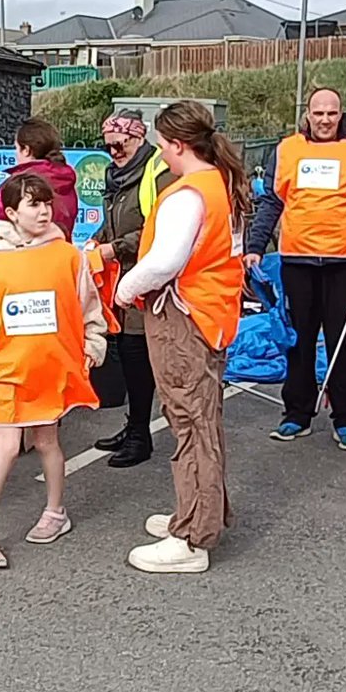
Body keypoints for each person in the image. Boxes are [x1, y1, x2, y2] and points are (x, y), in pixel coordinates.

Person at [115, 100, 250, 575]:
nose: (160, 154)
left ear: (177, 144)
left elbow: (163, 262)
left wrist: (124, 289)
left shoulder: (187, 193)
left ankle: (193, 537)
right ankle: (200, 513)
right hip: (210, 314)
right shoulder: (220, 182)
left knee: (190, 425)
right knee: (203, 420)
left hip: (183, 318)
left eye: (162, 145)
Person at [0, 173, 107, 568]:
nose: (42, 211)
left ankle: (56, 513)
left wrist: (93, 346)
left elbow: (89, 307)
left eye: (45, 203)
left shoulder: (68, 256)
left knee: (47, 441)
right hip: (7, 367)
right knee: (6, 445)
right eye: (32, 204)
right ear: (10, 212)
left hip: (50, 367)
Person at [245, 86, 346, 451]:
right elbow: (272, 201)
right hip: (297, 261)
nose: (325, 120)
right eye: (318, 113)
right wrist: (254, 246)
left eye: (332, 113)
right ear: (307, 114)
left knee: (344, 342)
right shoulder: (288, 148)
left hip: (343, 263)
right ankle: (297, 412)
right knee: (300, 341)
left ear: (340, 114)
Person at [92, 109, 172, 468]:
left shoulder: (158, 173)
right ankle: (134, 425)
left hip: (147, 280)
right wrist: (97, 241)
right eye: (108, 147)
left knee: (139, 358)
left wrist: (116, 247)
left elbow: (160, 228)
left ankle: (141, 437)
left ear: (138, 138)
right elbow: (114, 221)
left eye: (119, 145)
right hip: (122, 278)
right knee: (127, 349)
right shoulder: (117, 176)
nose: (113, 153)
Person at [0, 118, 78, 242]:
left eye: (16, 148)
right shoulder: (65, 179)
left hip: (24, 254)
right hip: (61, 253)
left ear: (26, 150)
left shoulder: (21, 183)